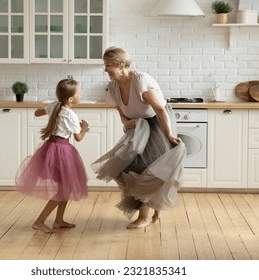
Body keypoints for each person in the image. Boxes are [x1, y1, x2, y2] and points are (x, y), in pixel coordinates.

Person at [92, 46, 187, 229]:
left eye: (108, 65)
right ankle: (154, 209)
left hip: (157, 125)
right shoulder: (113, 86)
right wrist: (124, 120)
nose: (105, 70)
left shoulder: (140, 80)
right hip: (137, 129)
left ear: (121, 65)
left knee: (147, 170)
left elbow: (159, 109)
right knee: (127, 169)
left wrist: (168, 134)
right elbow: (120, 110)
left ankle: (144, 216)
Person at [16, 79, 89, 233]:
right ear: (70, 99)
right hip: (62, 150)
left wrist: (49, 108)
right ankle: (39, 221)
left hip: (51, 147)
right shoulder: (71, 115)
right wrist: (84, 127)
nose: (81, 95)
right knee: (63, 189)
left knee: (66, 187)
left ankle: (58, 220)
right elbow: (79, 137)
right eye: (79, 93)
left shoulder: (55, 106)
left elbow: (37, 112)